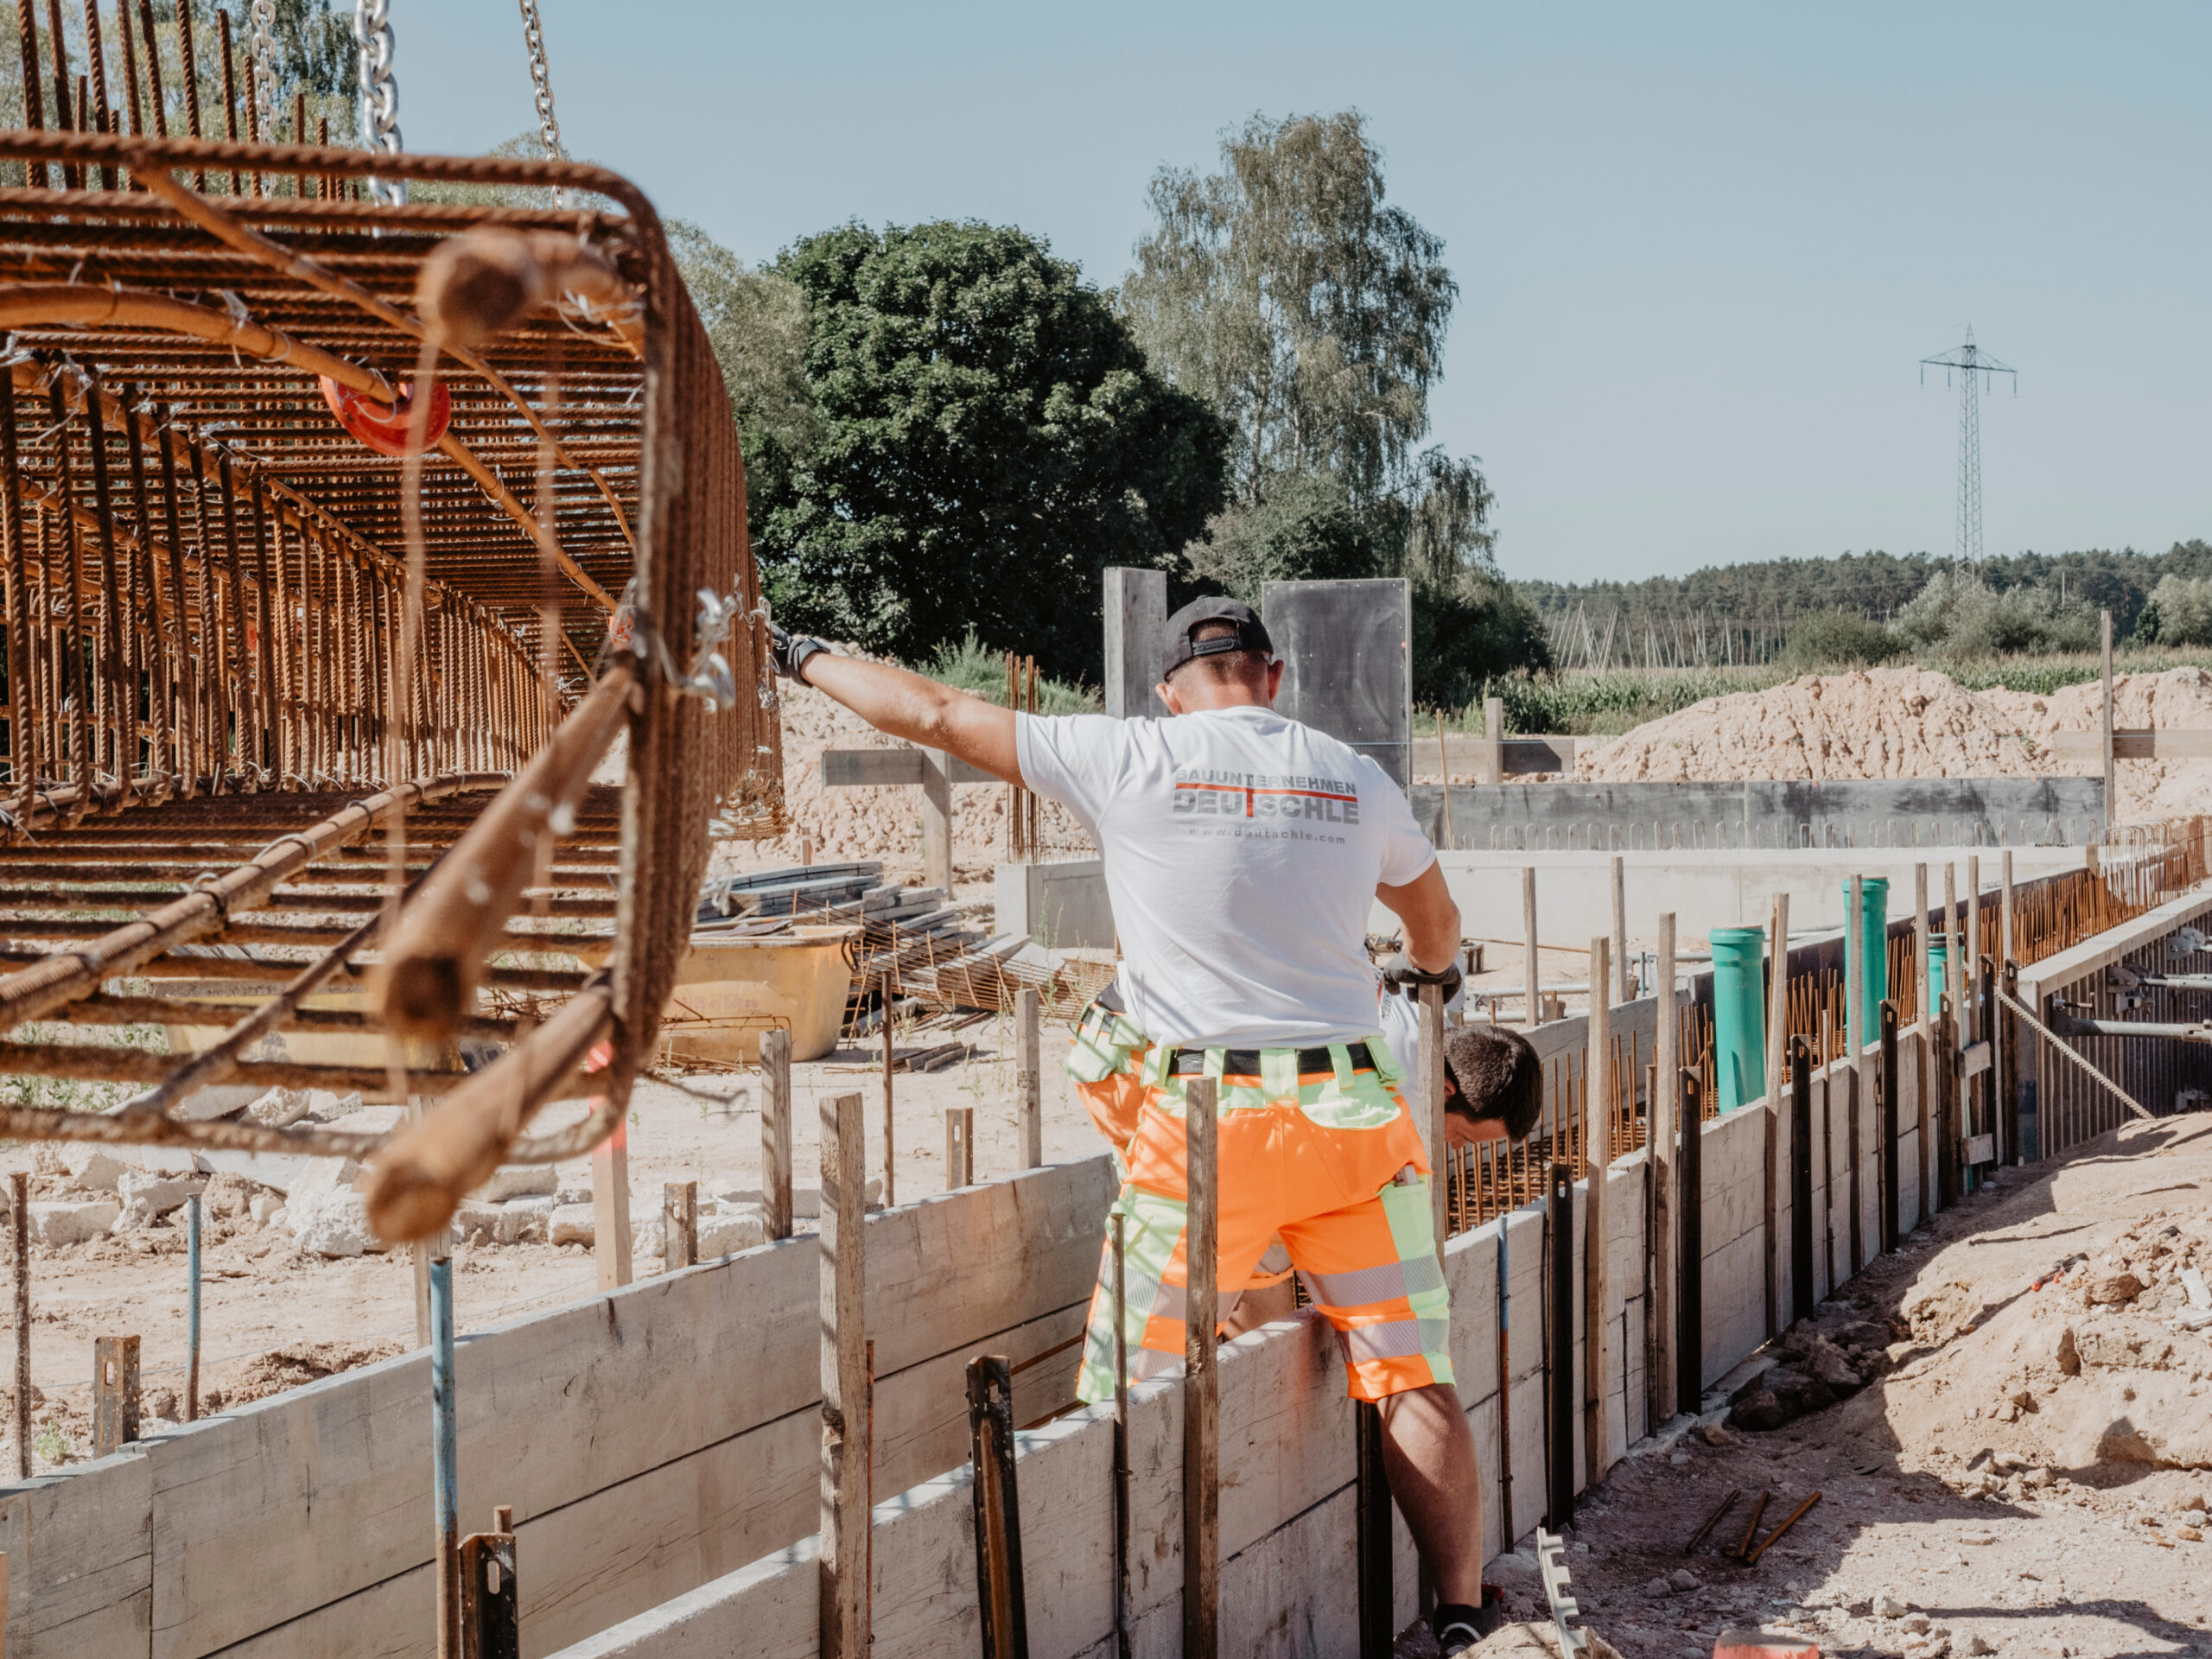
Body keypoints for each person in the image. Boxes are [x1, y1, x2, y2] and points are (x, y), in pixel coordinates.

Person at [771, 597, 1509, 1652]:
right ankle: (1462, 1613)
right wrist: (1427, 973)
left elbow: (934, 713)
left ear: (1170, 691)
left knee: (1132, 1384)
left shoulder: (1128, 757)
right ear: (1273, 674)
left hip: (1210, 1125)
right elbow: (1435, 925)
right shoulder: (1352, 776)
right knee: (1409, 1371)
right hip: (1352, 1111)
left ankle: (1118, 1626)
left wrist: (804, 657)